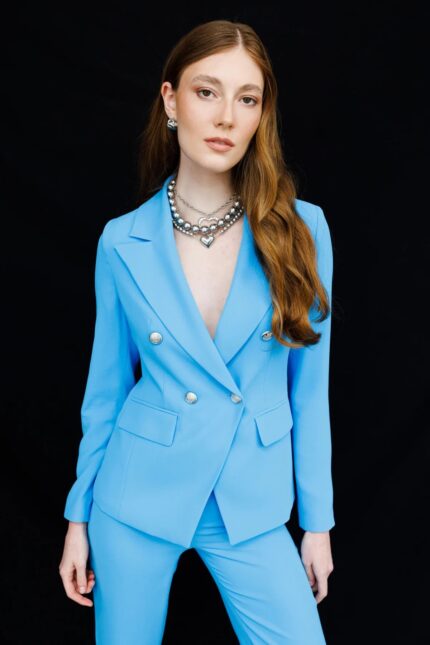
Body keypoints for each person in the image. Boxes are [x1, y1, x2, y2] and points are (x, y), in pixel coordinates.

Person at [59, 19, 335, 644]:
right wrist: (79, 516)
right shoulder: (121, 241)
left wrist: (318, 523)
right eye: (207, 91)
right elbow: (104, 393)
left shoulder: (302, 230)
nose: (226, 117)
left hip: (249, 499)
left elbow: (310, 391)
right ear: (170, 100)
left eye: (247, 98)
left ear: (261, 115)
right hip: (136, 495)